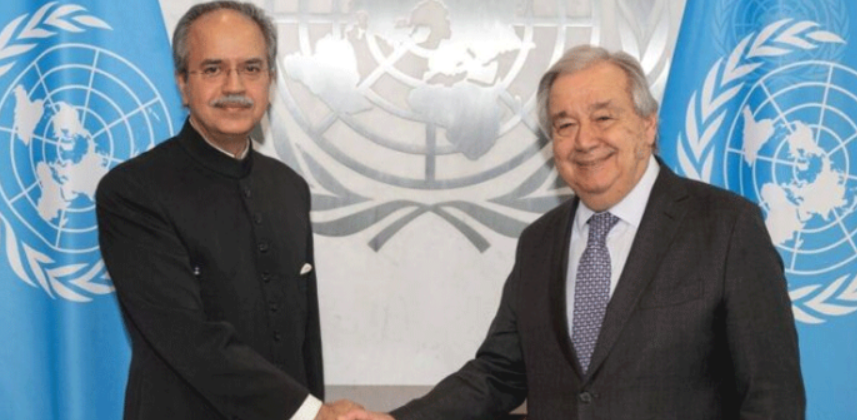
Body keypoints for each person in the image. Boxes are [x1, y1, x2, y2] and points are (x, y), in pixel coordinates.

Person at [343, 45, 805, 420]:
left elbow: (772, 397)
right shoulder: (539, 242)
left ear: (647, 125)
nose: (584, 140)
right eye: (565, 125)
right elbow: (500, 373)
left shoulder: (726, 227)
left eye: (603, 117)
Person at [96, 2, 359, 419]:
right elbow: (188, 338)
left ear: (270, 81)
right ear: (183, 84)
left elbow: (304, 339)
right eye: (213, 69)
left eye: (251, 68)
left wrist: (313, 411)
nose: (234, 85)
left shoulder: (289, 187)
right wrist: (312, 413)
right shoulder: (133, 192)